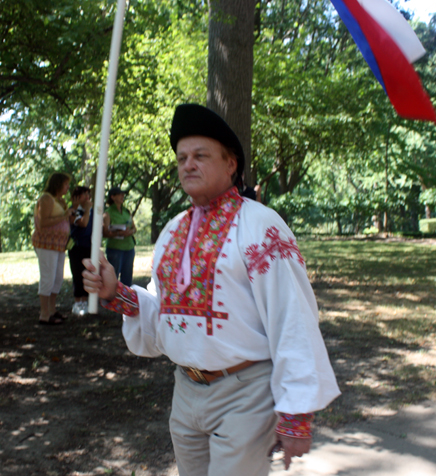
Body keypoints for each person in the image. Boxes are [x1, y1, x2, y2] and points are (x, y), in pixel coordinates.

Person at [83, 104, 340, 476]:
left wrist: (296, 412)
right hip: (185, 390)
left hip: (245, 393)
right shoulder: (172, 231)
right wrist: (115, 293)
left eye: (201, 156)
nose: (188, 164)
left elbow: (293, 318)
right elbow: (164, 312)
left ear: (231, 164)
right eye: (182, 157)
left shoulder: (261, 226)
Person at [32, 172, 73, 325]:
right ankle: (44, 314)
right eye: (65, 184)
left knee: (58, 277)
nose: (68, 188)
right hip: (46, 244)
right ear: (58, 184)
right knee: (48, 277)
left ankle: (52, 309)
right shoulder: (46, 199)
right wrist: (64, 216)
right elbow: (43, 223)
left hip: (59, 245)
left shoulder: (59, 201)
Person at [103, 187, 136, 286]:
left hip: (129, 248)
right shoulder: (108, 213)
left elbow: (134, 228)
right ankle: (112, 299)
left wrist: (130, 232)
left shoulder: (126, 211)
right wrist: (118, 233)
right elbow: (104, 233)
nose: (122, 196)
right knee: (113, 277)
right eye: (120, 194)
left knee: (127, 277)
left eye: (123, 194)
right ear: (113, 197)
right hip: (115, 249)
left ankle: (125, 299)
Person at [68, 186, 93, 316]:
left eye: (88, 194)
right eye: (84, 195)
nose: (87, 197)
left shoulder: (93, 211)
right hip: (76, 248)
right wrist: (87, 210)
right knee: (78, 274)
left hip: (89, 247)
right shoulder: (73, 211)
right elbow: (82, 223)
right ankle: (78, 302)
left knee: (88, 273)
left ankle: (86, 301)